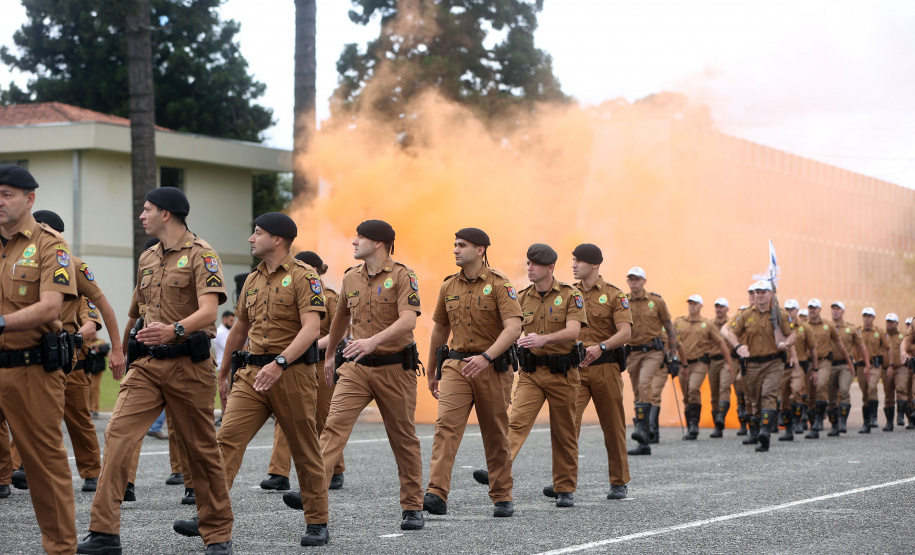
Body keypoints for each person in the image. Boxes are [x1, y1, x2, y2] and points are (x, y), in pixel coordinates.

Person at [78, 187, 233, 555]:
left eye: (147, 210)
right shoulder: (147, 258)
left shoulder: (202, 255)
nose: (141, 216)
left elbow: (210, 312)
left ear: (166, 214)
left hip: (188, 365)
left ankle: (217, 533)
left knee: (201, 450)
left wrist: (176, 328)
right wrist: (121, 347)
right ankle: (104, 532)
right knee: (117, 435)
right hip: (147, 364)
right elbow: (137, 309)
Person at [175, 213, 330, 547]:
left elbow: (311, 329)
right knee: (225, 442)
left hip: (291, 374)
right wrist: (224, 370)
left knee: (304, 447)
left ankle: (317, 520)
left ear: (277, 239)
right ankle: (208, 515)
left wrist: (280, 362)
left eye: (257, 233)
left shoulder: (305, 277)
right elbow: (240, 329)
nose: (250, 238)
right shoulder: (252, 279)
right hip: (251, 375)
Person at [304, 220, 425, 531]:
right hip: (356, 368)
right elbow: (341, 317)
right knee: (333, 429)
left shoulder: (402, 275)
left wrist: (373, 340)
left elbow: (409, 319)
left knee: (403, 439)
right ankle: (313, 495)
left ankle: (412, 506)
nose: (354, 242)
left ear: (380, 243)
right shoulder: (350, 277)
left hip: (395, 368)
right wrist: (330, 354)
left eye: (361, 237)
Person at [0, 164, 79, 554]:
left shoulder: (51, 245)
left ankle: (61, 549)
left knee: (43, 468)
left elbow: (51, 309)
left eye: (7, 194)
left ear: (29, 199)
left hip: (31, 370)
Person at [424, 228, 522, 518]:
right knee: (446, 427)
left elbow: (514, 327)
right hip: (456, 365)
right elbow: (440, 330)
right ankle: (436, 494)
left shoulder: (500, 284)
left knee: (494, 432)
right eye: (454, 244)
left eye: (462, 245)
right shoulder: (448, 286)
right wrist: (432, 370)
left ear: (480, 250)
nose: (455, 249)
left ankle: (502, 494)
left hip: (493, 366)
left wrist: (487, 356)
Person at [482, 243, 586, 508]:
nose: (530, 268)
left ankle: (564, 488)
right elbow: (510, 329)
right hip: (531, 372)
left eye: (535, 265)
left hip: (562, 372)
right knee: (516, 423)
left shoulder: (570, 295)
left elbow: (574, 331)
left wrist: (544, 339)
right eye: (528, 264)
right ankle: (498, 472)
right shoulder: (521, 297)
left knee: (564, 432)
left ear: (550, 267)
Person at [261, 250, 346, 493]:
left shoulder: (330, 298)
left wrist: (313, 345)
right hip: (291, 363)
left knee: (322, 417)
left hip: (320, 362)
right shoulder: (289, 293)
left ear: (318, 271)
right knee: (283, 416)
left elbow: (339, 332)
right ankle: (278, 473)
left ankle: (336, 469)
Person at [569, 243, 632, 499]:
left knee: (612, 426)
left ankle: (619, 481)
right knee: (567, 425)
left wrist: (601, 346)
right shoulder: (567, 294)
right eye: (572, 260)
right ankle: (564, 483)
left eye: (578, 261)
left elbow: (626, 332)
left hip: (605, 366)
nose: (573, 265)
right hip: (576, 369)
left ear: (594, 264)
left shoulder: (615, 295)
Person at [721, 281, 795, 452]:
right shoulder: (746, 314)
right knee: (755, 400)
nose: (760, 295)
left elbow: (792, 334)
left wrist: (786, 343)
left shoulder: (780, 314)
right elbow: (731, 332)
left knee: (768, 394)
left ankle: (765, 432)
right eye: (757, 292)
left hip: (774, 362)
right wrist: (738, 346)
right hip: (753, 364)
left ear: (770, 294)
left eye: (763, 292)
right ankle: (756, 431)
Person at [624, 267, 677, 455]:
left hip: (653, 352)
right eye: (630, 279)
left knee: (645, 384)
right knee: (639, 392)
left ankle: (639, 429)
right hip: (631, 353)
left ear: (644, 281)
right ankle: (644, 442)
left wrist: (674, 355)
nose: (633, 282)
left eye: (637, 279)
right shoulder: (622, 302)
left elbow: (669, 328)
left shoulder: (656, 301)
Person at [674, 295, 731, 440]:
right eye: (690, 303)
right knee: (687, 395)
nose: (692, 306)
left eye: (695, 303)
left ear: (701, 306)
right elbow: (670, 339)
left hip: (700, 363)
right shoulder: (679, 322)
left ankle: (694, 425)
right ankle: (690, 428)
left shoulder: (707, 324)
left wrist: (729, 362)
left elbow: (720, 343)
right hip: (683, 364)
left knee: (693, 388)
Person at [828, 301, 869, 435]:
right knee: (832, 397)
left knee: (844, 391)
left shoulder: (851, 329)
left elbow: (861, 347)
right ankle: (834, 425)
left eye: (838, 309)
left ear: (843, 311)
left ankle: (842, 422)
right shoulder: (826, 327)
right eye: (833, 309)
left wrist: (867, 364)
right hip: (829, 365)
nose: (835, 311)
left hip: (845, 365)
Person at [779, 299, 815, 441]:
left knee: (796, 391)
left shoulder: (804, 327)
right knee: (784, 399)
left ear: (797, 311)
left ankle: (797, 422)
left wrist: (815, 367)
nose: (789, 312)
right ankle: (788, 429)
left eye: (792, 309)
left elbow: (812, 348)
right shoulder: (779, 327)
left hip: (798, 366)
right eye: (787, 309)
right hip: (783, 366)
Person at [856, 307, 890, 433]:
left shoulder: (880, 332)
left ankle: (874, 417)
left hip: (875, 366)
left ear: (873, 318)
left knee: (872, 387)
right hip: (860, 366)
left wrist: (890, 365)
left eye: (869, 316)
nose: (867, 318)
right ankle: (866, 424)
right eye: (865, 316)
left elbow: (888, 347)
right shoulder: (857, 331)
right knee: (865, 394)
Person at [708, 298, 736, 438]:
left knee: (724, 387)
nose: (719, 309)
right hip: (713, 361)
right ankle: (717, 427)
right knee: (714, 395)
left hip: (728, 360)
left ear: (727, 309)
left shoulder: (732, 324)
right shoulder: (709, 324)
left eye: (722, 307)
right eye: (717, 307)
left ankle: (721, 417)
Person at [885, 313, 906, 431]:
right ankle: (889, 422)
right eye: (888, 321)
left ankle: (900, 415)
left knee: (901, 389)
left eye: (892, 321)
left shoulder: (902, 336)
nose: (889, 323)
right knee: (888, 396)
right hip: (886, 368)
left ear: (897, 323)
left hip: (900, 367)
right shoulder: (882, 335)